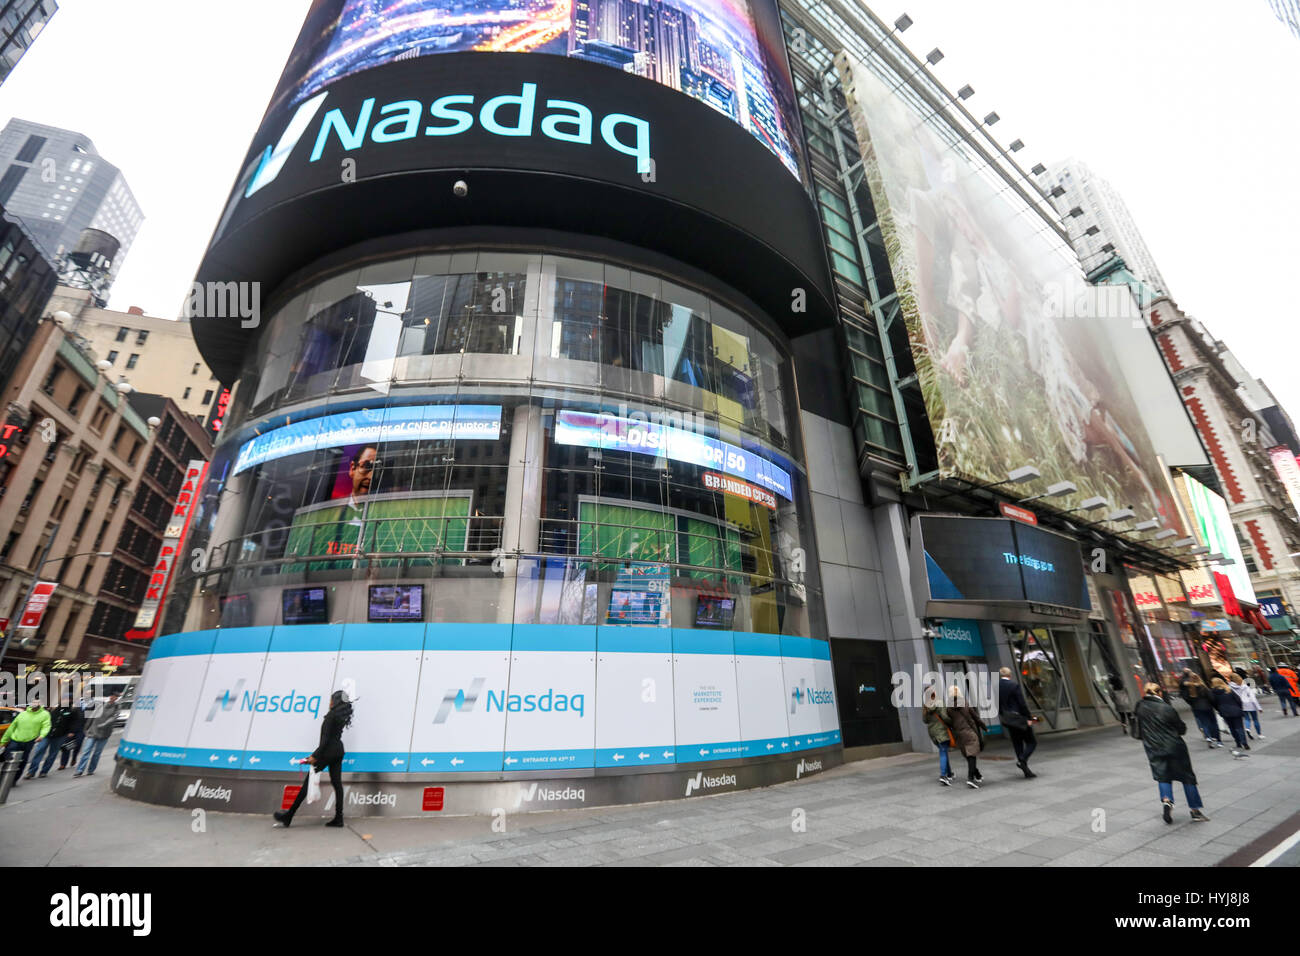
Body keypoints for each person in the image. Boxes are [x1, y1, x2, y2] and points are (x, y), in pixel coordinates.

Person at [274, 690, 353, 828]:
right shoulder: (340, 717)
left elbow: (325, 741)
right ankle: (339, 818)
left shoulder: (330, 716)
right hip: (338, 751)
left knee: (308, 782)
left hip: (327, 752)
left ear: (335, 701)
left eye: (331, 699)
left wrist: (314, 756)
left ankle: (289, 815)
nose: (329, 702)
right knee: (337, 784)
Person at [1133, 682, 1210, 824]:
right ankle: (1195, 810)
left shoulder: (1140, 707)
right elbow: (1181, 728)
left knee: (1163, 776)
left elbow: (1138, 729)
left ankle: (1167, 801)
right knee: (1187, 777)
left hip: (1153, 747)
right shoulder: (1166, 708)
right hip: (1174, 746)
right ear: (1159, 693)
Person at [997, 666, 1037, 778]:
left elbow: (998, 704)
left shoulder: (997, 687)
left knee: (1017, 743)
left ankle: (1026, 771)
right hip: (1019, 719)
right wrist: (1029, 718)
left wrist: (1003, 715)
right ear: (1010, 675)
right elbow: (1022, 703)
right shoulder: (1014, 685)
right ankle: (1022, 760)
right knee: (1031, 742)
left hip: (1008, 719)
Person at [946, 686, 987, 789]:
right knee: (972, 755)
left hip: (959, 734)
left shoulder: (949, 708)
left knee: (969, 755)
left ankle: (977, 775)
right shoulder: (964, 703)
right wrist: (984, 727)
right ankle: (970, 778)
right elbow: (975, 717)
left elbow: (949, 721)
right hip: (969, 731)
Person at [1, 702, 51, 782]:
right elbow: (12, 727)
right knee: (8, 758)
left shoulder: (45, 714)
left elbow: (46, 726)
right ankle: (3, 778)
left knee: (23, 760)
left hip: (29, 741)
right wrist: (3, 741)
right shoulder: (23, 714)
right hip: (15, 739)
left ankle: (14, 780)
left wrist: (42, 735)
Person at [74, 693, 120, 776]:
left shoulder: (117, 707)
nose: (113, 697)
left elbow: (113, 718)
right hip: (93, 731)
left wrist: (104, 724)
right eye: (112, 695)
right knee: (86, 751)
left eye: (115, 696)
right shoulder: (101, 705)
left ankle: (91, 769)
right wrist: (86, 728)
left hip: (104, 733)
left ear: (117, 698)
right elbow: (92, 716)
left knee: (97, 753)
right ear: (110, 696)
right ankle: (80, 770)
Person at [31, 701, 77, 777]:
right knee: (39, 750)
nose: (64, 701)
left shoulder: (72, 711)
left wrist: (71, 731)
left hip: (60, 736)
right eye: (63, 699)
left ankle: (44, 771)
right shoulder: (54, 708)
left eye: (67, 699)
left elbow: (74, 722)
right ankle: (32, 771)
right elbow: (46, 719)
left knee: (52, 754)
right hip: (47, 734)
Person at [922, 687, 955, 786]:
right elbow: (945, 717)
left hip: (932, 732)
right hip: (941, 730)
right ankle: (943, 776)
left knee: (943, 750)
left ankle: (949, 774)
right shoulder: (939, 702)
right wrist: (952, 722)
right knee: (943, 752)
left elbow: (925, 721)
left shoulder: (925, 706)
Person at [1210, 678, 1249, 756]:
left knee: (1232, 728)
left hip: (1225, 712)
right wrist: (1239, 708)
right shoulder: (1229, 689)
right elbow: (1238, 700)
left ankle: (1238, 742)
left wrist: (1220, 710)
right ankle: (1244, 743)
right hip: (1236, 710)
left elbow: (1214, 704)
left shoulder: (1213, 693)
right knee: (1239, 727)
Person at [1180, 674, 1222, 747]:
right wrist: (1215, 706)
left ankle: (1208, 737)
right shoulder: (1203, 687)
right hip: (1207, 707)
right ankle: (1218, 740)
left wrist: (1193, 704)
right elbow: (1211, 698)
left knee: (1204, 724)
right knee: (1213, 723)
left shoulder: (1190, 689)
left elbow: (1187, 698)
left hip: (1197, 708)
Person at [1229, 672, 1264, 740]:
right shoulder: (1245, 686)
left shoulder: (1230, 687)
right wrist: (1258, 707)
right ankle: (1259, 734)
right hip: (1250, 704)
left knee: (1247, 718)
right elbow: (1252, 697)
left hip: (1240, 704)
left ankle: (1247, 728)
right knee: (1255, 719)